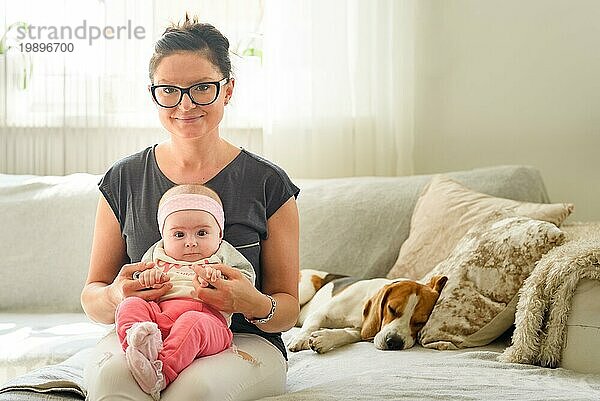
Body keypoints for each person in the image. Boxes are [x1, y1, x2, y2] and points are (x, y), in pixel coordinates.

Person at [81, 15, 300, 401]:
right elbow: (93, 296)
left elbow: (287, 309)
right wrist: (117, 295)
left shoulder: (269, 183)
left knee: (194, 391)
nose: (185, 104)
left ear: (228, 90)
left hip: (241, 340)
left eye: (202, 88)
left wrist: (251, 303)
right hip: (148, 330)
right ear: (153, 93)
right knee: (115, 382)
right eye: (169, 90)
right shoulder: (123, 179)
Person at [116, 183, 255, 400]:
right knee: (130, 305)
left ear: (219, 234)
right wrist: (147, 278)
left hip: (208, 322)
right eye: (179, 234)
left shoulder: (222, 254)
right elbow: (138, 279)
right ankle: (138, 343)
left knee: (191, 321)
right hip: (158, 315)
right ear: (164, 236)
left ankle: (161, 372)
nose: (191, 243)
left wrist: (220, 280)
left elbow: (246, 282)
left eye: (202, 233)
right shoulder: (157, 253)